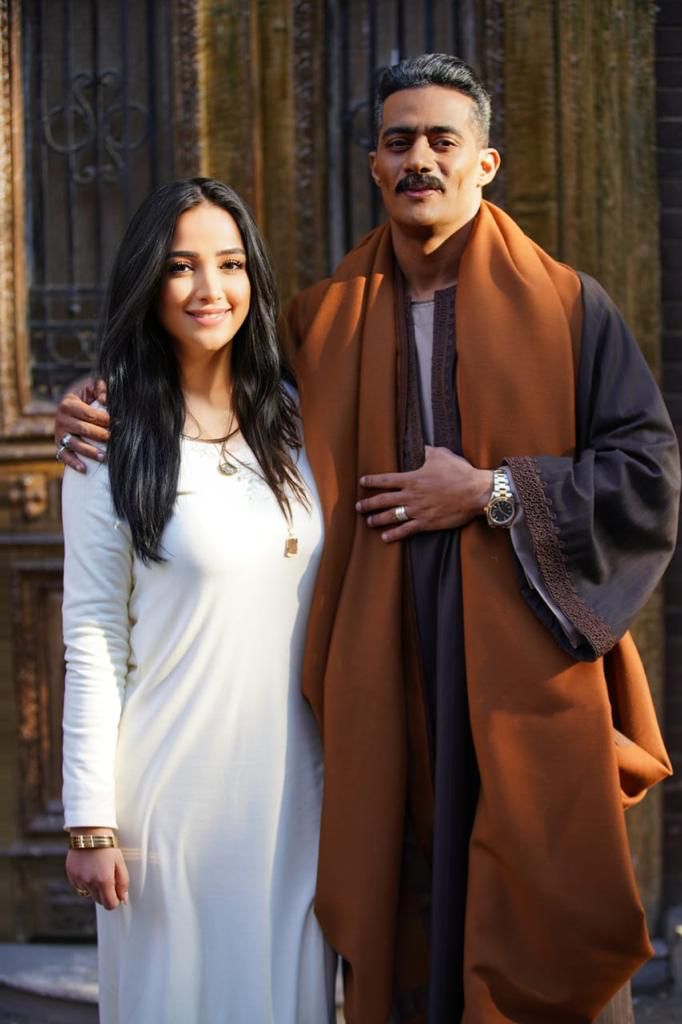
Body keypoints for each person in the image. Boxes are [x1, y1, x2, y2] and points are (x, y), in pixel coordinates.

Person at [56, 56, 680, 1024]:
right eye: (398, 141)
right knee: (399, 935)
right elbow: (213, 376)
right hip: (380, 699)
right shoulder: (324, 319)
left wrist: (494, 490)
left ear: (485, 163)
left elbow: (648, 474)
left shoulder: (568, 308)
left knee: (540, 924)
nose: (419, 158)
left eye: (442, 140)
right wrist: (103, 397)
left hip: (516, 688)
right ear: (374, 166)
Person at [59, 177, 336, 1024]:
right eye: (181, 266)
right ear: (149, 282)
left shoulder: (300, 423)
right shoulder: (108, 441)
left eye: (229, 264)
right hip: (168, 799)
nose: (209, 289)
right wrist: (90, 820)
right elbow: (94, 632)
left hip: (295, 791)